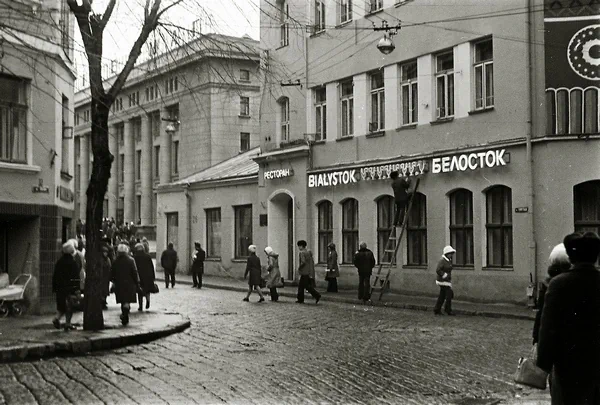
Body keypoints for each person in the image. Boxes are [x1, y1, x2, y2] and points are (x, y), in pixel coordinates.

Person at [537, 232, 600, 404]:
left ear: (571, 258)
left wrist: (543, 363)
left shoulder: (559, 284)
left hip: (568, 365)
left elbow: (548, 328)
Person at [532, 243, 571, 345]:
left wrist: (536, 337)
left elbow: (540, 313)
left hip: (550, 334)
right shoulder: (573, 281)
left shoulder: (547, 283)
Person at [52, 242, 81, 331]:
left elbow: (55, 276)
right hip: (70, 289)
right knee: (70, 307)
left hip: (60, 288)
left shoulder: (59, 262)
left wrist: (55, 288)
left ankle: (56, 318)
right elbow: (75, 277)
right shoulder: (73, 263)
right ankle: (68, 323)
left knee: (61, 306)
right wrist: (77, 290)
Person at [111, 243, 142, 325]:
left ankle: (125, 316)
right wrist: (137, 282)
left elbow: (112, 273)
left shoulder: (115, 261)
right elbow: (135, 272)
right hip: (129, 284)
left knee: (122, 301)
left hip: (119, 284)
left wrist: (113, 281)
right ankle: (125, 314)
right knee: (127, 301)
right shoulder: (131, 260)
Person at [296, 240, 321, 304]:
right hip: (308, 271)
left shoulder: (302, 253)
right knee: (305, 286)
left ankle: (315, 295)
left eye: (299, 246)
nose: (299, 248)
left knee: (302, 286)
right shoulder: (308, 252)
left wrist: (299, 268)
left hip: (304, 271)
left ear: (301, 246)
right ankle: (315, 295)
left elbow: (303, 262)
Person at [434, 245, 456, 316]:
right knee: (449, 295)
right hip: (443, 281)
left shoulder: (448, 261)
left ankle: (437, 309)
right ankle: (448, 310)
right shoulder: (442, 261)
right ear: (446, 254)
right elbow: (438, 270)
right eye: (450, 254)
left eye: (451, 254)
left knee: (442, 296)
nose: (451, 255)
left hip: (446, 281)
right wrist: (444, 275)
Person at [133, 243, 155, 311]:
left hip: (139, 276)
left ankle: (140, 306)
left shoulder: (135, 257)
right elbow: (151, 267)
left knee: (140, 291)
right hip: (147, 276)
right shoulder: (147, 256)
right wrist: (153, 276)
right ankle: (148, 301)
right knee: (147, 290)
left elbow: (134, 267)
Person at [100, 244, 112, 309]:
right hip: (101, 277)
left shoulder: (108, 259)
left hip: (106, 277)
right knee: (102, 290)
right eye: (104, 252)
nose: (105, 253)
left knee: (105, 290)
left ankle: (104, 301)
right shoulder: (100, 259)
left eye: (106, 252)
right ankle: (102, 302)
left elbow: (110, 267)